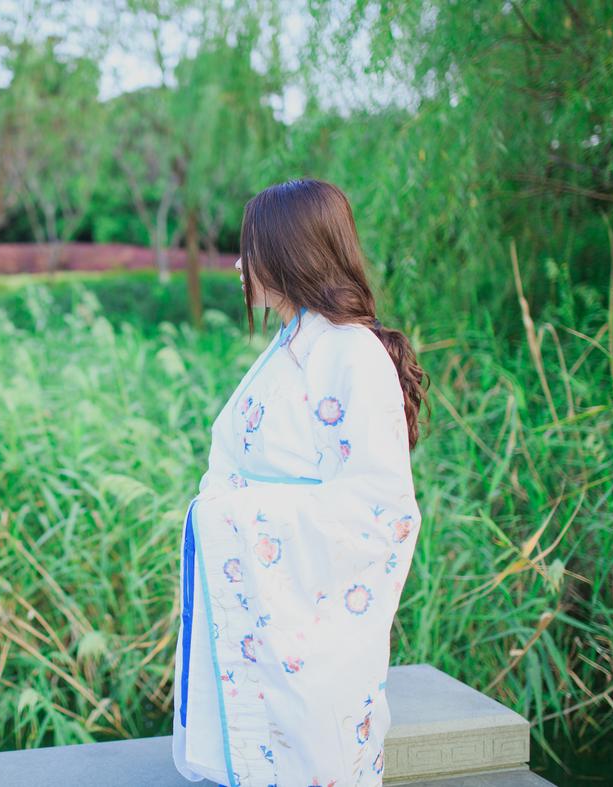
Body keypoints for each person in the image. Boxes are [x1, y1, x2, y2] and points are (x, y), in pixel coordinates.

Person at [171, 178, 428, 787]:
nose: (239, 265)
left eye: (250, 250)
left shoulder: (350, 352)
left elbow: (379, 507)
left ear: (290, 254)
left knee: (311, 755)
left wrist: (241, 518)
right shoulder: (290, 345)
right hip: (263, 594)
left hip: (307, 606)